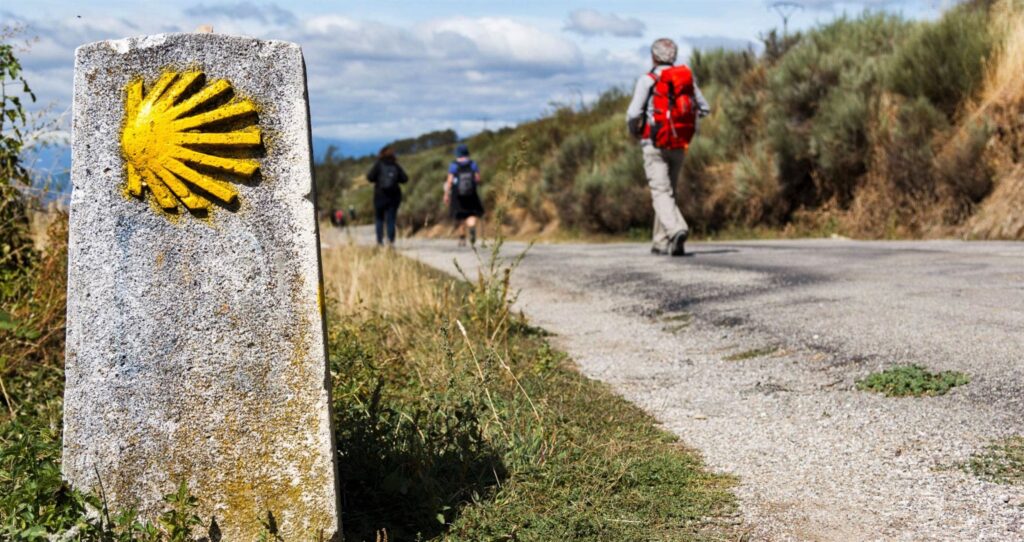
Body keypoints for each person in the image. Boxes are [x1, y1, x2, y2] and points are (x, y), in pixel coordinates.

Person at [626, 38, 711, 256]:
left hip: (654, 143)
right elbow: (704, 107)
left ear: (654, 56)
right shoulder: (685, 80)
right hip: (680, 143)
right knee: (668, 192)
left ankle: (676, 230)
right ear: (673, 56)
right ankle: (660, 241)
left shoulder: (648, 80)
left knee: (660, 191)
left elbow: (633, 113)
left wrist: (634, 130)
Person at [366, 145, 408, 246]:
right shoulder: (395, 165)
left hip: (380, 196)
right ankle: (391, 241)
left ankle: (379, 242)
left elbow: (370, 177)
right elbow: (405, 179)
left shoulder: (378, 165)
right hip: (393, 197)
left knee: (379, 219)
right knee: (391, 219)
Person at [444, 143, 485, 246]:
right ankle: (471, 228)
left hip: (457, 195)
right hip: (471, 194)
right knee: (471, 214)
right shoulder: (473, 164)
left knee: (460, 216)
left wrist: (446, 194)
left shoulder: (454, 165)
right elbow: (478, 179)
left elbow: (449, 181)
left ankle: (462, 238)